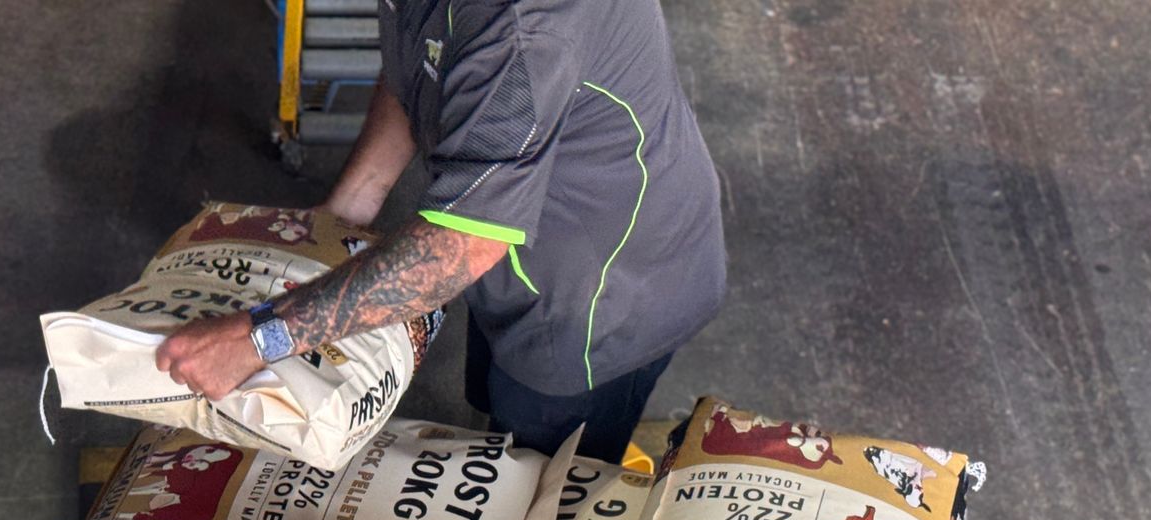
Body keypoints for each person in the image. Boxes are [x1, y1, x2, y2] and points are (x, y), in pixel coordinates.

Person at [156, 0, 727, 463]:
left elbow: (460, 247)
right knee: (493, 408)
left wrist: (257, 339)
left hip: (602, 298)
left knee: (541, 477)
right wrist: (347, 209)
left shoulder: (525, 30)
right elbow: (423, 65)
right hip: (516, 245)